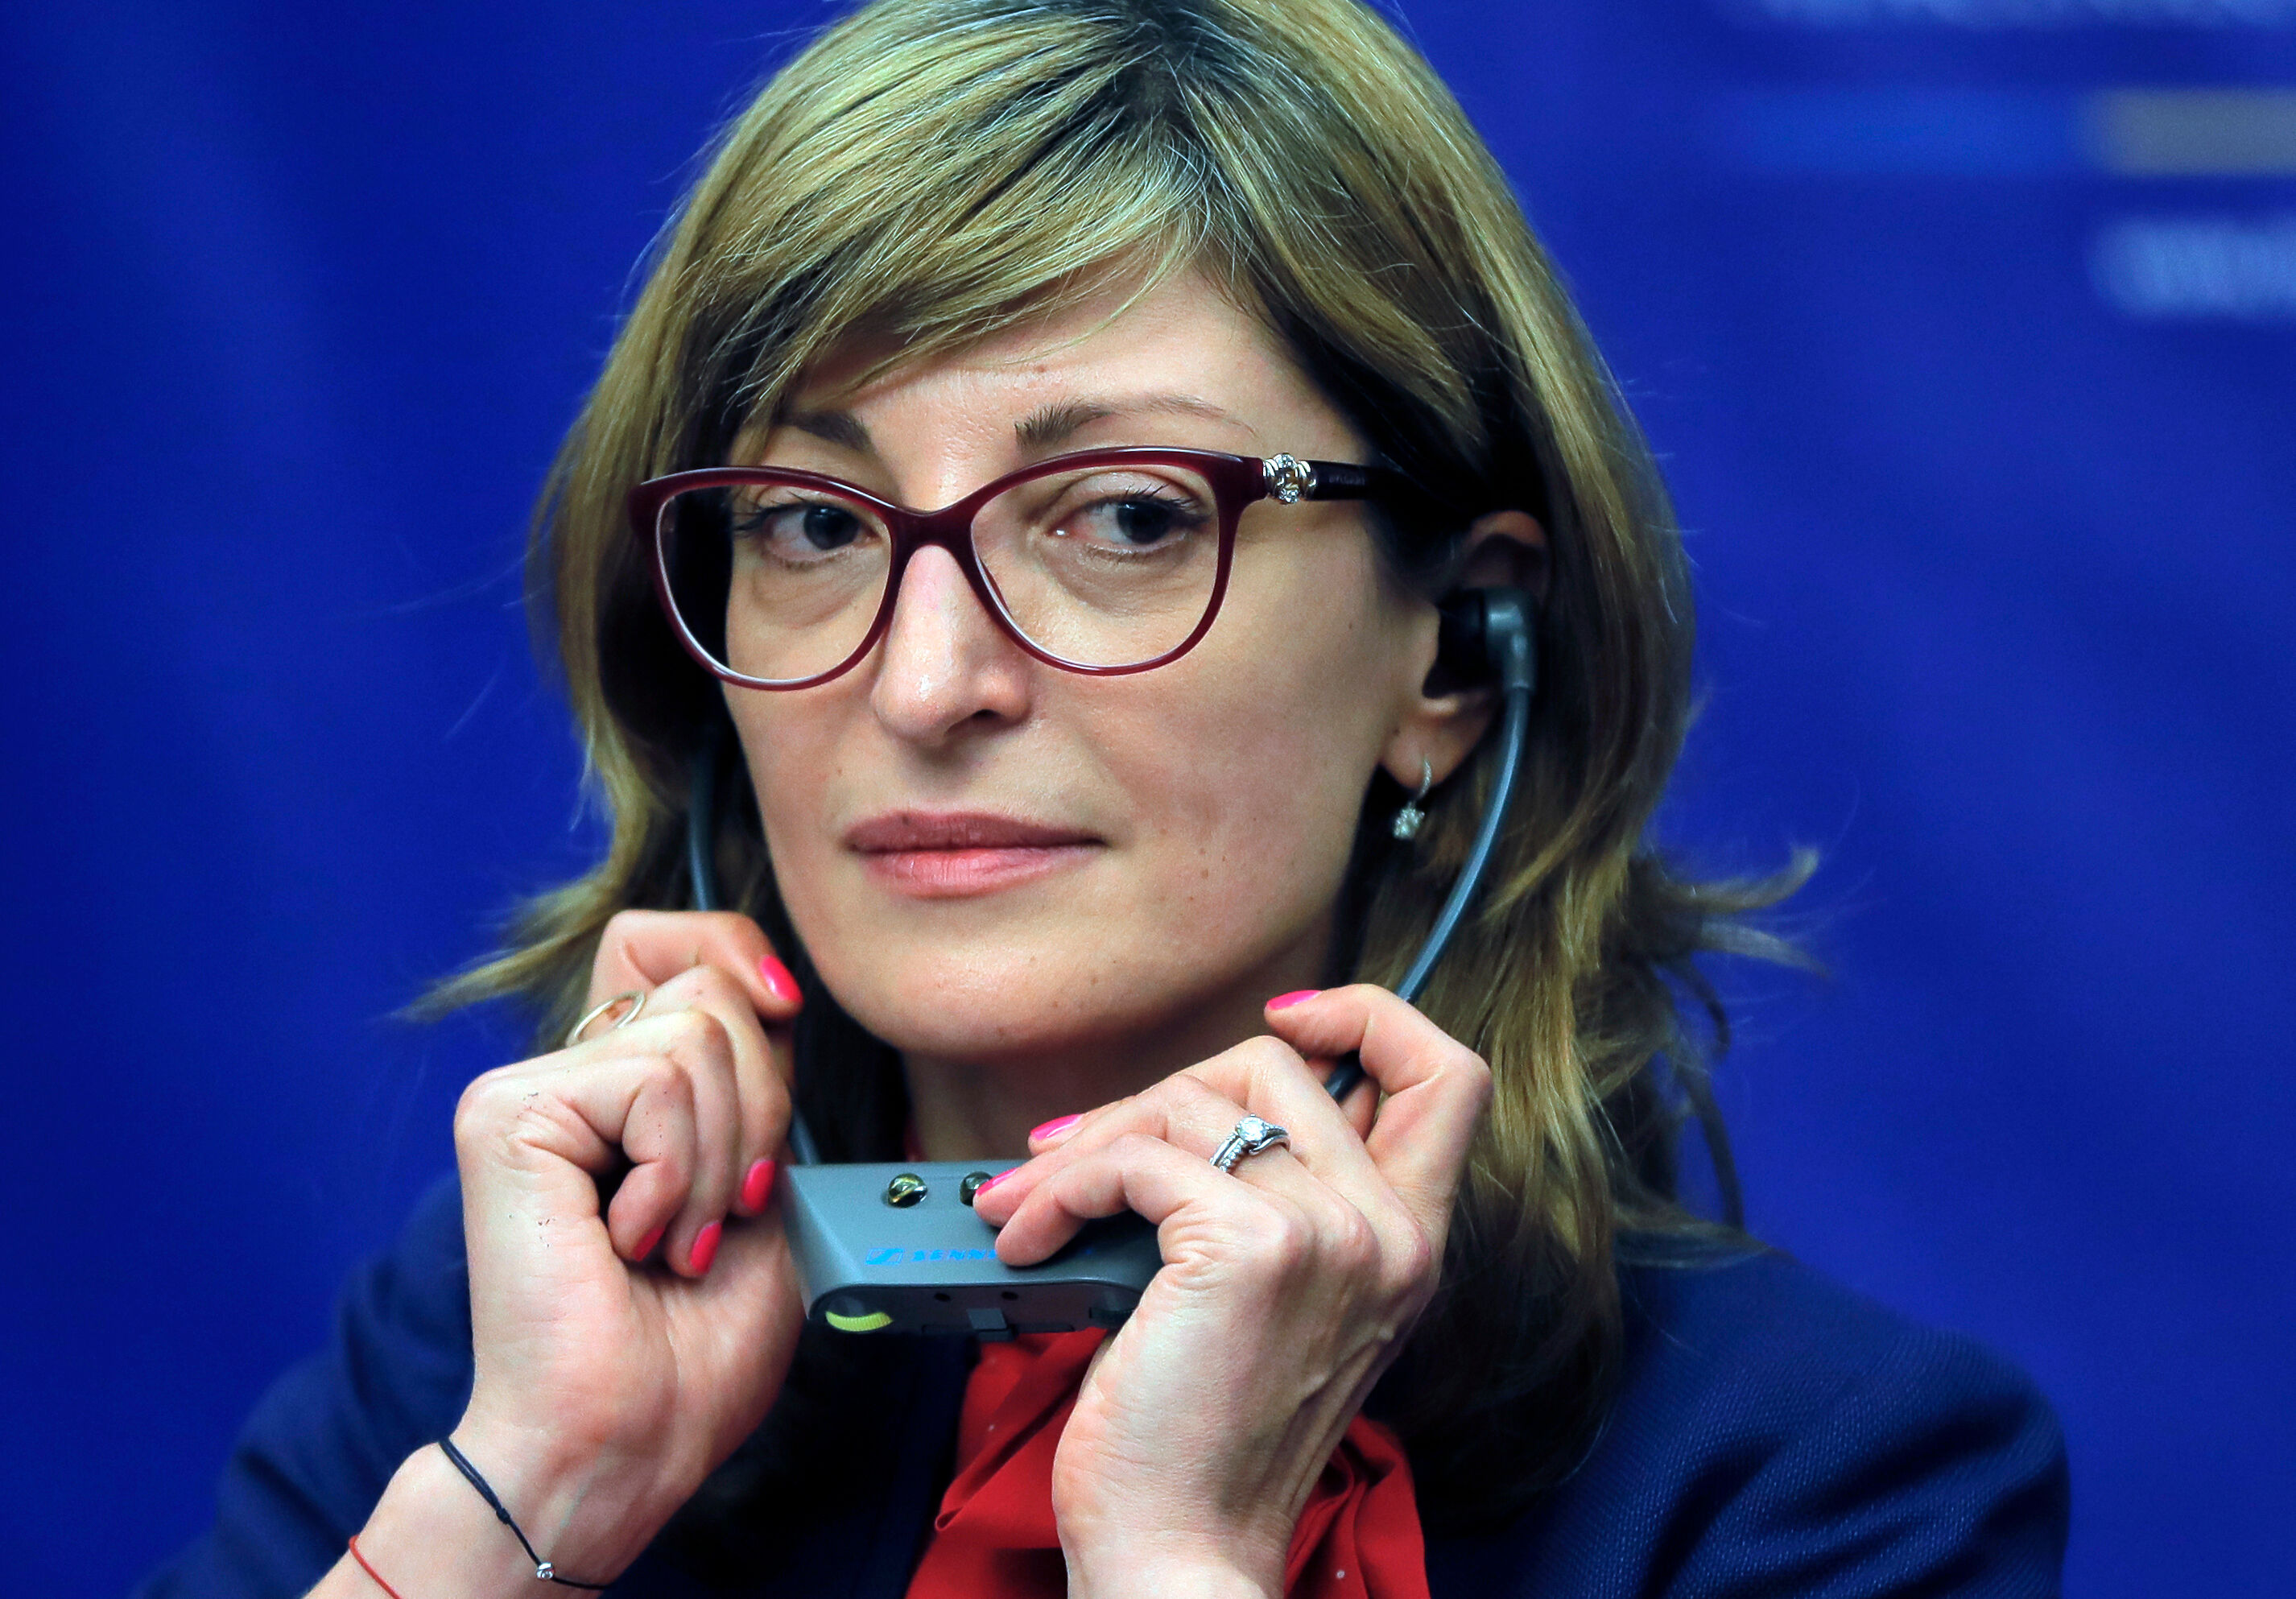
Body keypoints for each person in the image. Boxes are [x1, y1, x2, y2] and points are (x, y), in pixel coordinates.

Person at [141, 0, 2070, 1594]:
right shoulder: (490, 1346)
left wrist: (1173, 1555)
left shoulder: (1815, 1487)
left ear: (1454, 658)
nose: (924, 684)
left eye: (1126, 519)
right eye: (814, 523)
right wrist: (528, 1502)